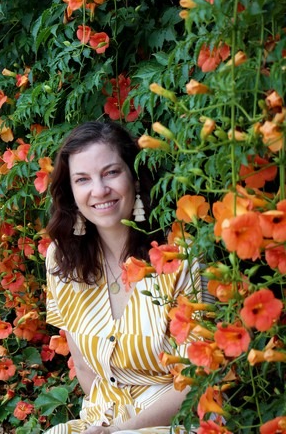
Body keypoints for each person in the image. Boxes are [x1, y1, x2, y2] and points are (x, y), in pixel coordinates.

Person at [45, 121, 200, 434]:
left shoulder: (179, 256)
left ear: (135, 177)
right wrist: (105, 426)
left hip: (175, 421)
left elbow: (196, 378)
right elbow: (86, 369)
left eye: (111, 172)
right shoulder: (62, 259)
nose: (99, 190)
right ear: (72, 192)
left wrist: (122, 430)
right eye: (83, 179)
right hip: (101, 420)